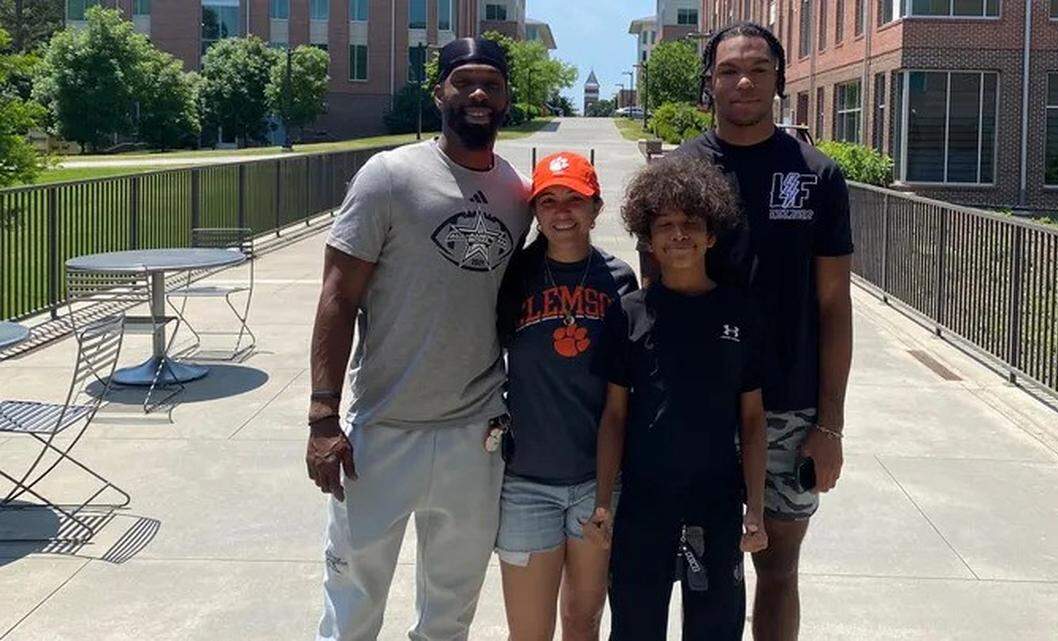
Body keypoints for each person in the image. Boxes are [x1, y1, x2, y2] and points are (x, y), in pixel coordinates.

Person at [305, 37, 532, 641]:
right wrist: (322, 418)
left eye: (492, 83)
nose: (478, 93)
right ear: (440, 94)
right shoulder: (389, 176)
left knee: (450, 615)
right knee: (352, 607)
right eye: (464, 82)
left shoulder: (519, 193)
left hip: (475, 435)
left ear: (508, 99)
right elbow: (337, 296)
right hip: (382, 430)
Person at [675, 22, 855, 641]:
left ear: (780, 80)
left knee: (778, 569)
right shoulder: (680, 173)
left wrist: (828, 425)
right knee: (705, 570)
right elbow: (659, 307)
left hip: (790, 405)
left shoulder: (816, 175)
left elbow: (835, 307)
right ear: (709, 84)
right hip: (703, 408)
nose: (743, 80)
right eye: (728, 70)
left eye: (757, 69)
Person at [584, 156, 770, 640]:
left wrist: (754, 507)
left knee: (715, 629)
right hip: (645, 503)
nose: (678, 235)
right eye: (665, 225)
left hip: (716, 502)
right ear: (649, 238)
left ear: (712, 235)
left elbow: (752, 420)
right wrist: (604, 502)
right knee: (635, 627)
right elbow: (614, 416)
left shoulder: (740, 314)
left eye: (691, 224)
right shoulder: (629, 315)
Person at [494, 152, 637, 641]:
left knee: (583, 623)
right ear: (534, 212)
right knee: (530, 632)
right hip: (526, 482)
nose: (561, 212)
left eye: (574, 199)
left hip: (596, 484)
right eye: (548, 201)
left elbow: (627, 389)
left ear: (596, 208)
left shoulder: (620, 281)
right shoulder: (512, 277)